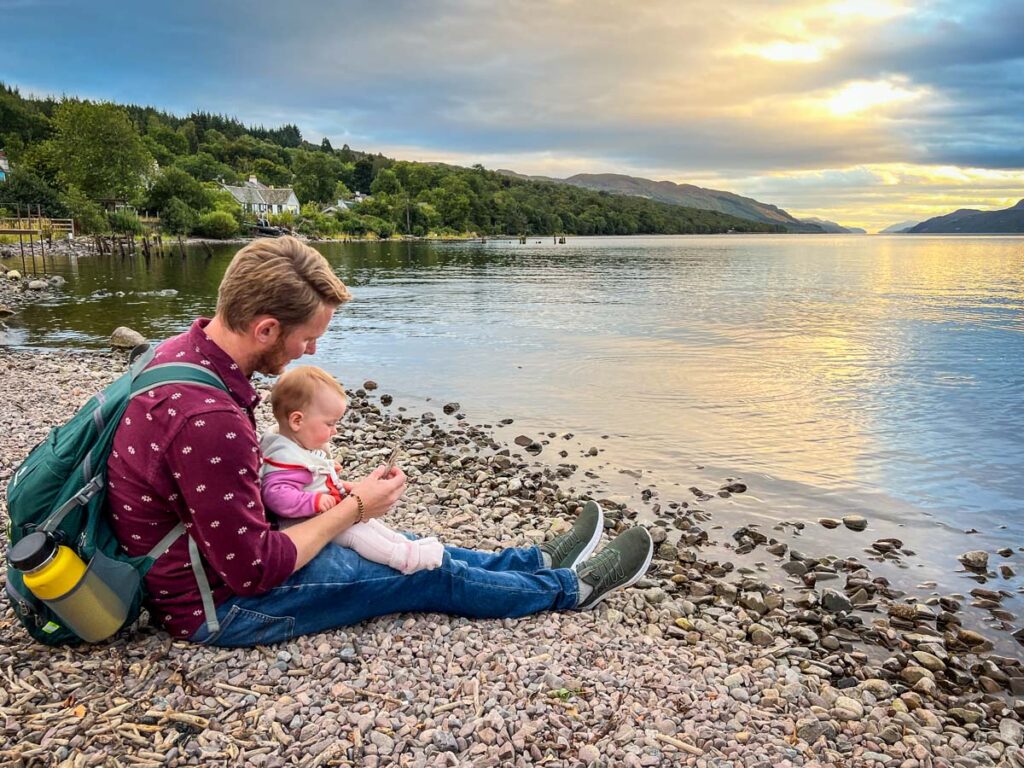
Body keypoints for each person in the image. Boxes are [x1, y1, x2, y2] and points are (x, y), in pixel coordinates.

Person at [106, 236, 653, 647]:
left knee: (405, 542)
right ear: (267, 329)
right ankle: (569, 589)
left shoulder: (183, 352)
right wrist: (354, 505)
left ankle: (531, 562)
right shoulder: (208, 420)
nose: (312, 351)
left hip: (208, 559)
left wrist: (348, 511)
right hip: (220, 606)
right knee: (422, 572)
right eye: (307, 337)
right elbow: (254, 570)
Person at [260, 365, 444, 574]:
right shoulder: (284, 459)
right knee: (358, 535)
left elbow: (312, 480)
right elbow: (274, 495)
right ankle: (402, 559)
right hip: (305, 524)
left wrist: (343, 483)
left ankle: (406, 545)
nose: (335, 430)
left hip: (322, 515)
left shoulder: (296, 446)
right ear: (297, 420)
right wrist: (314, 501)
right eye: (330, 423)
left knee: (370, 524)